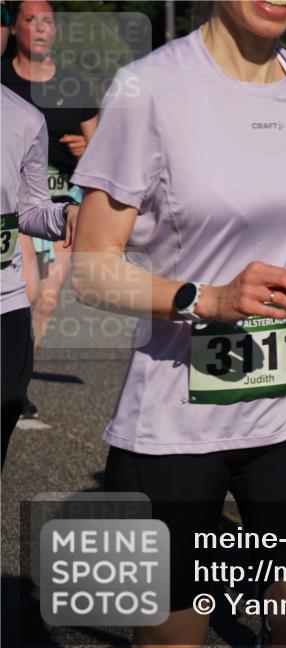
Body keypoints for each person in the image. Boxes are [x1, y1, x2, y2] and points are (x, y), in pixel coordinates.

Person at [71, 2, 286, 648]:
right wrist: (208, 298)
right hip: (176, 421)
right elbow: (92, 269)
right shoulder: (149, 88)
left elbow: (277, 226)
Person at [1, 0, 98, 418]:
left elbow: (103, 152)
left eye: (48, 21)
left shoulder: (55, 98)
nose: (41, 29)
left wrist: (67, 212)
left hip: (60, 201)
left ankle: (21, 379)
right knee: (32, 286)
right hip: (20, 217)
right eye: (29, 20)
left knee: (45, 299)